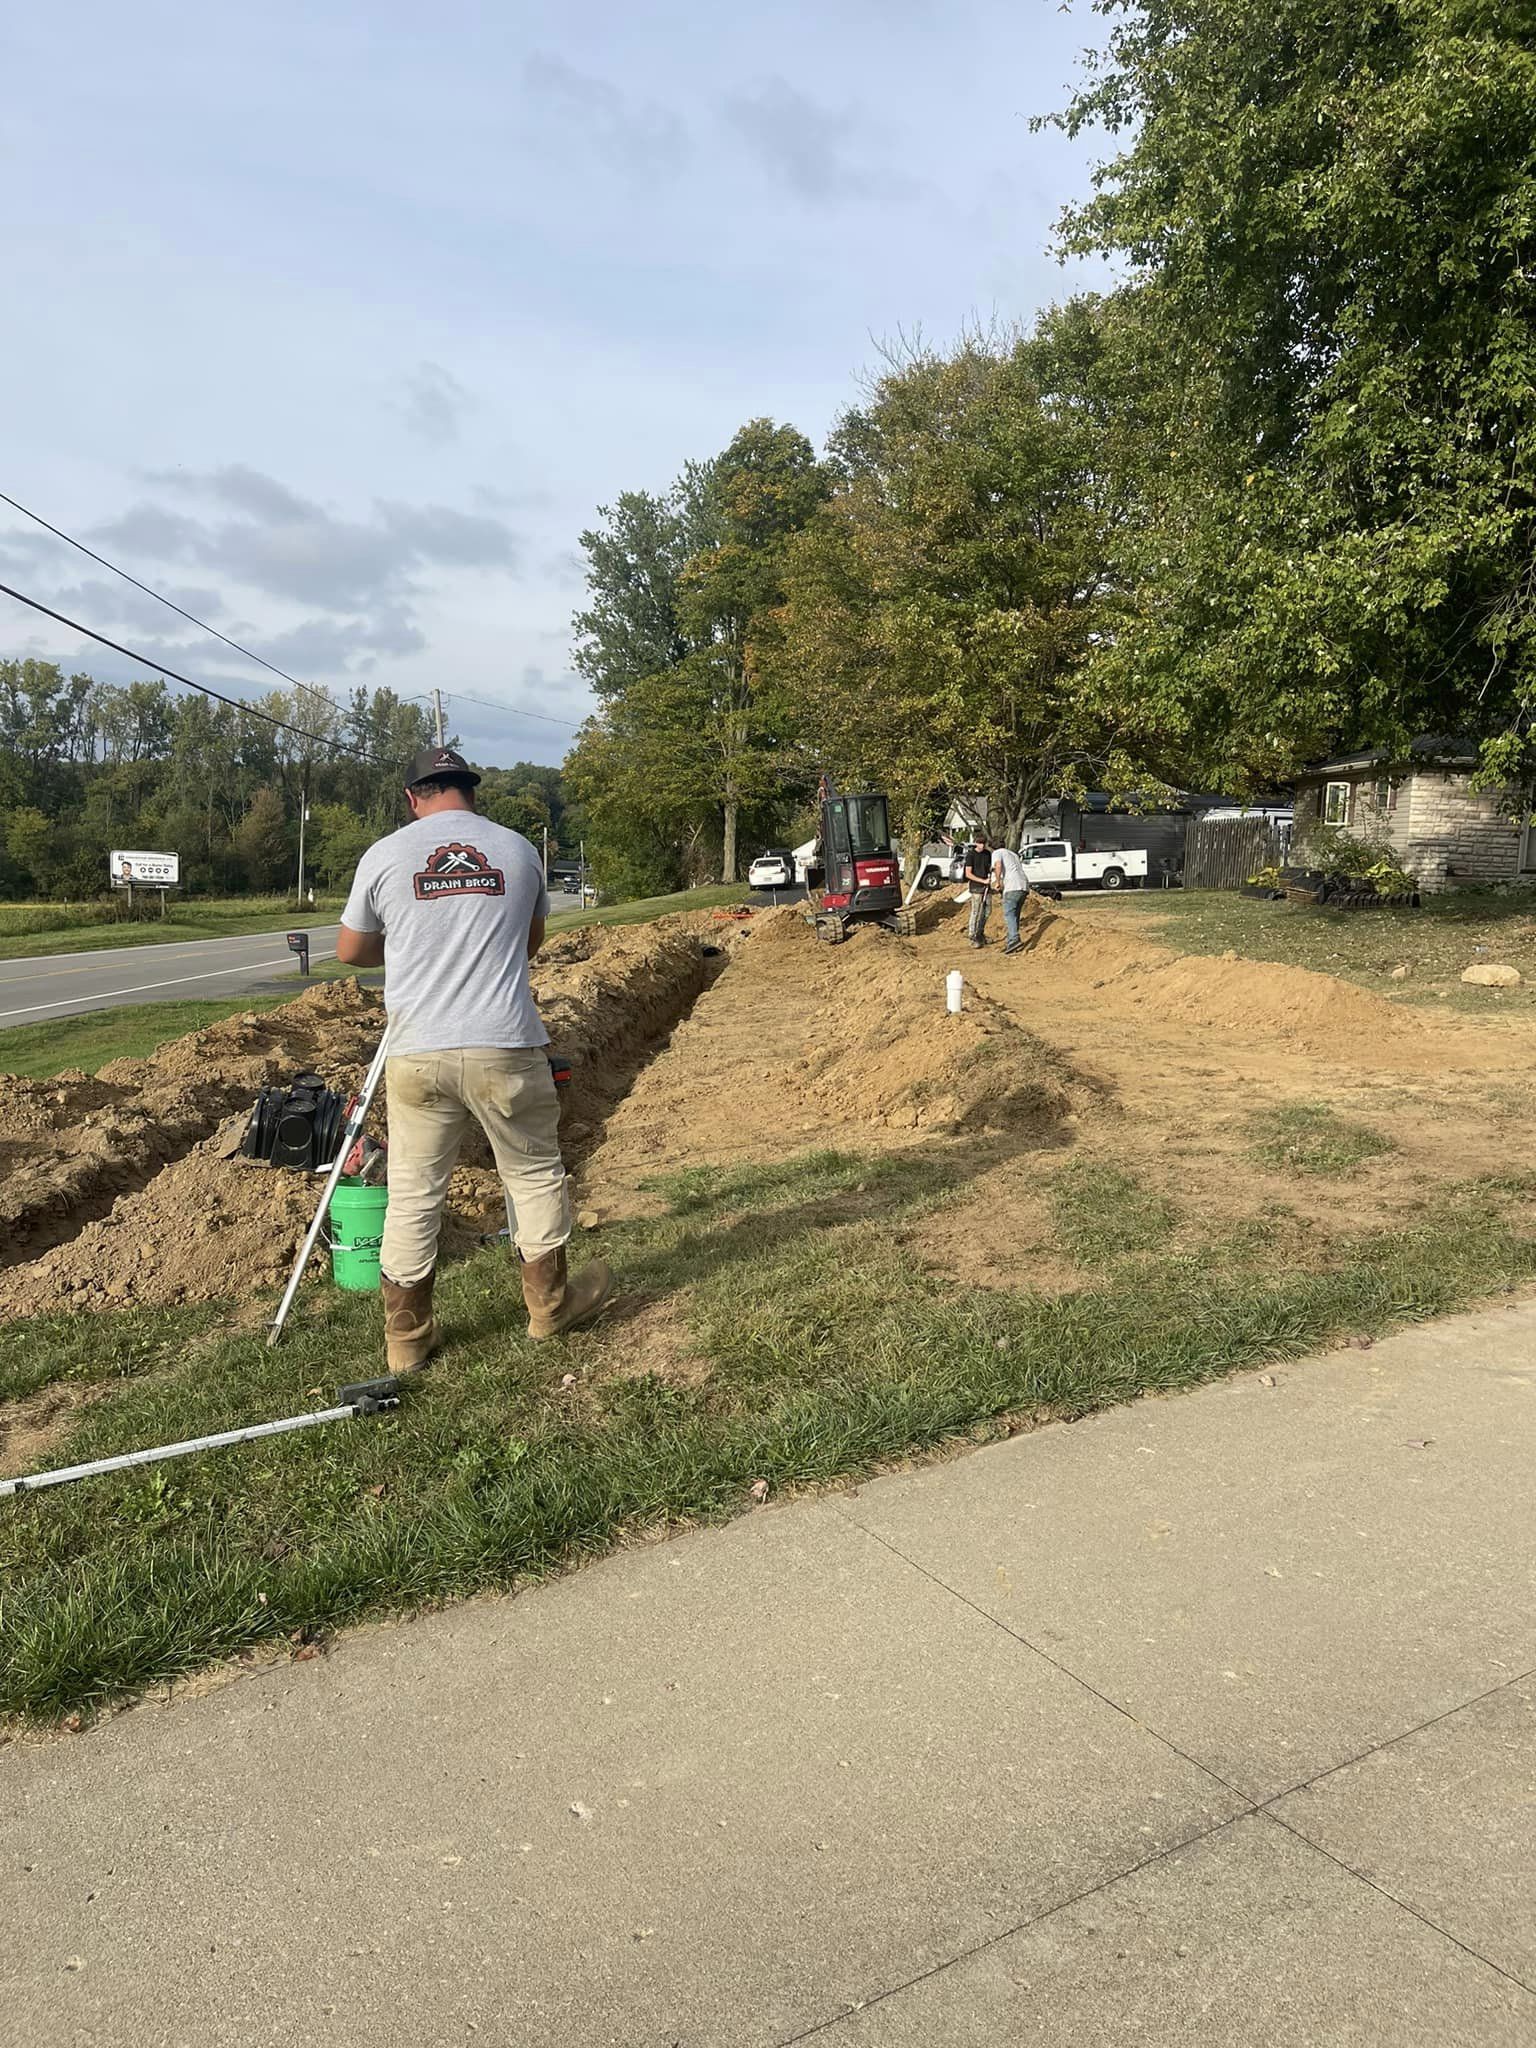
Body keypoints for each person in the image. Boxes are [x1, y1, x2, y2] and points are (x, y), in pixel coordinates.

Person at [336, 745, 612, 1374]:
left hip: (417, 1051)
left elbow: (350, 950)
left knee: (413, 1192)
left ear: (413, 797)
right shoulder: (518, 850)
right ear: (471, 789)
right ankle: (550, 1307)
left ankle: (407, 1339)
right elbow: (528, 942)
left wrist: (410, 945)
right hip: (505, 1044)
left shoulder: (384, 855)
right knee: (533, 1173)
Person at [992, 842, 1032, 954]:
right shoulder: (1013, 854)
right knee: (1015, 915)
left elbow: (998, 866)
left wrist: (998, 882)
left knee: (1009, 914)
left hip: (1012, 886)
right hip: (1023, 885)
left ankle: (1014, 939)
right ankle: (1011, 942)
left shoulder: (997, 852)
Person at [962, 830, 992, 946]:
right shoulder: (971, 855)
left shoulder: (987, 854)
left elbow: (989, 868)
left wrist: (990, 875)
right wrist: (982, 881)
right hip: (976, 888)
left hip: (986, 887)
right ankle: (972, 935)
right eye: (980, 843)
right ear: (976, 843)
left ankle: (980, 933)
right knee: (976, 911)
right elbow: (968, 874)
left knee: (987, 911)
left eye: (983, 843)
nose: (982, 845)